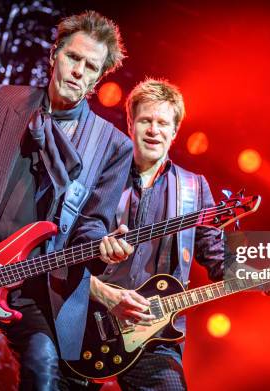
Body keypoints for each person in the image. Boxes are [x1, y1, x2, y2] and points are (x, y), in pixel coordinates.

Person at [0, 11, 134, 390]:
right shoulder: (4, 102)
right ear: (54, 56)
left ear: (99, 78)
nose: (79, 71)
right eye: (73, 58)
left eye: (90, 67)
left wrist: (102, 249)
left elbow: (91, 227)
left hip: (39, 290)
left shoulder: (113, 146)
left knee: (43, 376)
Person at [67, 78, 225, 390]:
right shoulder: (99, 175)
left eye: (163, 122)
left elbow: (219, 256)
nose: (154, 130)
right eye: (146, 121)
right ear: (130, 124)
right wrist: (101, 292)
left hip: (156, 334)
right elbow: (62, 245)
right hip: (84, 321)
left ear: (175, 132)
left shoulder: (194, 188)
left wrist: (262, 270)